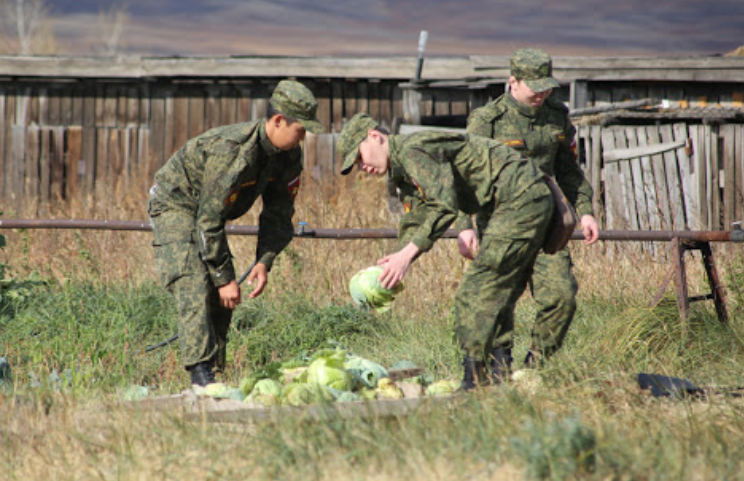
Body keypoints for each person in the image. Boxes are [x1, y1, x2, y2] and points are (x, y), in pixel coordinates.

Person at [338, 112, 555, 390]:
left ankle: (474, 383)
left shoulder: (413, 150)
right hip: (503, 204)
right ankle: (497, 376)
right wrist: (392, 264)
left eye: (359, 158)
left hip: (519, 195)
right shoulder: (403, 170)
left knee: (475, 290)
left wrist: (406, 257)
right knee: (490, 288)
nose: (362, 167)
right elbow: (417, 219)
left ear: (374, 136)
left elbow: (444, 204)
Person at [148, 80, 324, 386]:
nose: (303, 138)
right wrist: (223, 276)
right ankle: (200, 376)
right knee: (195, 279)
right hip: (177, 203)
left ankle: (215, 371)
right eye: (300, 130)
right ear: (278, 121)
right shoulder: (232, 151)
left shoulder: (288, 154)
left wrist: (264, 260)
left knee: (223, 293)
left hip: (208, 214)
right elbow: (208, 220)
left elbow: (279, 212)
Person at [456, 47, 600, 371]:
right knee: (498, 303)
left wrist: (585, 210)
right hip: (501, 228)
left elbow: (568, 169)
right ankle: (498, 373)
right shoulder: (486, 121)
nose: (542, 93)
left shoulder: (556, 115)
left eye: (547, 86)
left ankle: (534, 369)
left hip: (548, 228)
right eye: (535, 87)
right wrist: (464, 226)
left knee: (562, 296)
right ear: (513, 82)